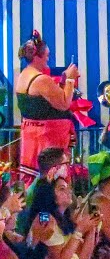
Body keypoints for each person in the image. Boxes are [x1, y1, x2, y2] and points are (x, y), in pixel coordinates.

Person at [15, 31, 79, 183]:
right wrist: (70, 79)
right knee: (52, 181)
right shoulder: (41, 79)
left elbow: (51, 99)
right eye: (47, 55)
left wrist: (62, 81)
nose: (48, 59)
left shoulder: (25, 74)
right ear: (38, 56)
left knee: (34, 181)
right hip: (47, 140)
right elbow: (64, 103)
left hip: (33, 137)